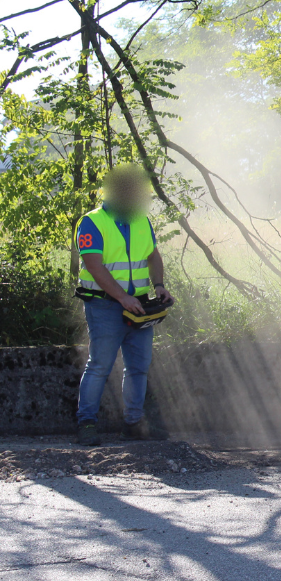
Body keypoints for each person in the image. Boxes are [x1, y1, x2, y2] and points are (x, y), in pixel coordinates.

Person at [75, 164, 173, 446]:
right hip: (104, 307)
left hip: (141, 308)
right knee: (99, 366)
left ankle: (133, 424)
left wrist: (160, 286)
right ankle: (86, 424)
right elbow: (94, 265)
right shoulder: (92, 222)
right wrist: (122, 297)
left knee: (138, 367)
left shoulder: (141, 220)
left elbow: (153, 256)